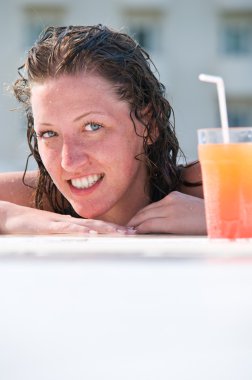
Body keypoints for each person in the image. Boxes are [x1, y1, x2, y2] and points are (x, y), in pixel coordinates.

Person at [0, 24, 206, 235]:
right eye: (49, 133)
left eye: (92, 127)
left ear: (150, 124)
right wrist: (7, 216)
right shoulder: (44, 196)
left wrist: (225, 217)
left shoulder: (211, 187)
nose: (69, 163)